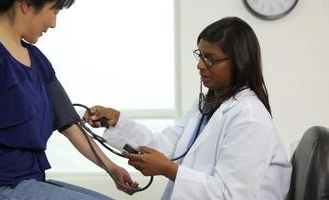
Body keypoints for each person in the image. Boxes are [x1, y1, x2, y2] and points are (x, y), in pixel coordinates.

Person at [85, 16, 292, 200]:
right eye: (200, 55)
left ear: (239, 62)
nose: (200, 65)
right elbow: (167, 147)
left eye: (210, 59)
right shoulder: (209, 105)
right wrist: (118, 121)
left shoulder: (250, 118)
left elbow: (230, 195)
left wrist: (170, 170)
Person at [0, 0, 138, 199]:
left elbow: (69, 123)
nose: (53, 23)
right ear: (25, 4)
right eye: (54, 10)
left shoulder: (37, 60)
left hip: (31, 182)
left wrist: (111, 168)